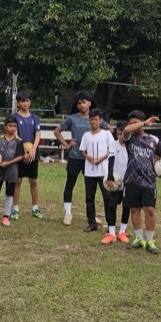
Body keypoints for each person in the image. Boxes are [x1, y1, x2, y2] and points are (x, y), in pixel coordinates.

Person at [54, 90, 109, 226]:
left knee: (91, 188)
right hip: (74, 157)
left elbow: (109, 129)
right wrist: (67, 145)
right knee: (70, 184)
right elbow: (57, 131)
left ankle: (92, 216)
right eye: (79, 103)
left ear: (89, 103)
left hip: (91, 160)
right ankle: (68, 213)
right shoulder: (72, 118)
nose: (81, 105)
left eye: (84, 102)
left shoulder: (95, 118)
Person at [121, 110, 161, 253]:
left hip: (149, 182)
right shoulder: (129, 138)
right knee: (134, 209)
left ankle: (150, 240)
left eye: (136, 122)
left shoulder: (153, 140)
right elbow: (126, 130)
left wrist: (159, 166)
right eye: (131, 123)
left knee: (150, 210)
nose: (133, 125)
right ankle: (139, 238)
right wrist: (144, 123)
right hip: (131, 180)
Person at [11, 91, 45, 219]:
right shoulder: (14, 117)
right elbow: (14, 135)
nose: (25, 103)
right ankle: (15, 209)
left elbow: (37, 133)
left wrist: (33, 149)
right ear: (18, 103)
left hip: (33, 153)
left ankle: (35, 208)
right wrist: (23, 152)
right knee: (17, 180)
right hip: (20, 153)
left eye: (27, 101)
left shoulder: (34, 118)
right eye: (22, 101)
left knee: (33, 181)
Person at [0, 116, 25, 226]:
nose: (12, 128)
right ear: (5, 127)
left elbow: (20, 157)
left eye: (14, 126)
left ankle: (6, 217)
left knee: (9, 194)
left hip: (12, 171)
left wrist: (7, 163)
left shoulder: (18, 141)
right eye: (10, 126)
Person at [101, 121, 131, 244]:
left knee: (127, 206)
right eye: (118, 134)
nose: (120, 137)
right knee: (112, 205)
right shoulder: (113, 145)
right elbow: (111, 159)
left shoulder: (132, 145)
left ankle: (122, 231)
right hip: (116, 181)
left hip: (129, 181)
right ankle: (112, 233)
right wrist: (110, 176)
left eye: (122, 134)